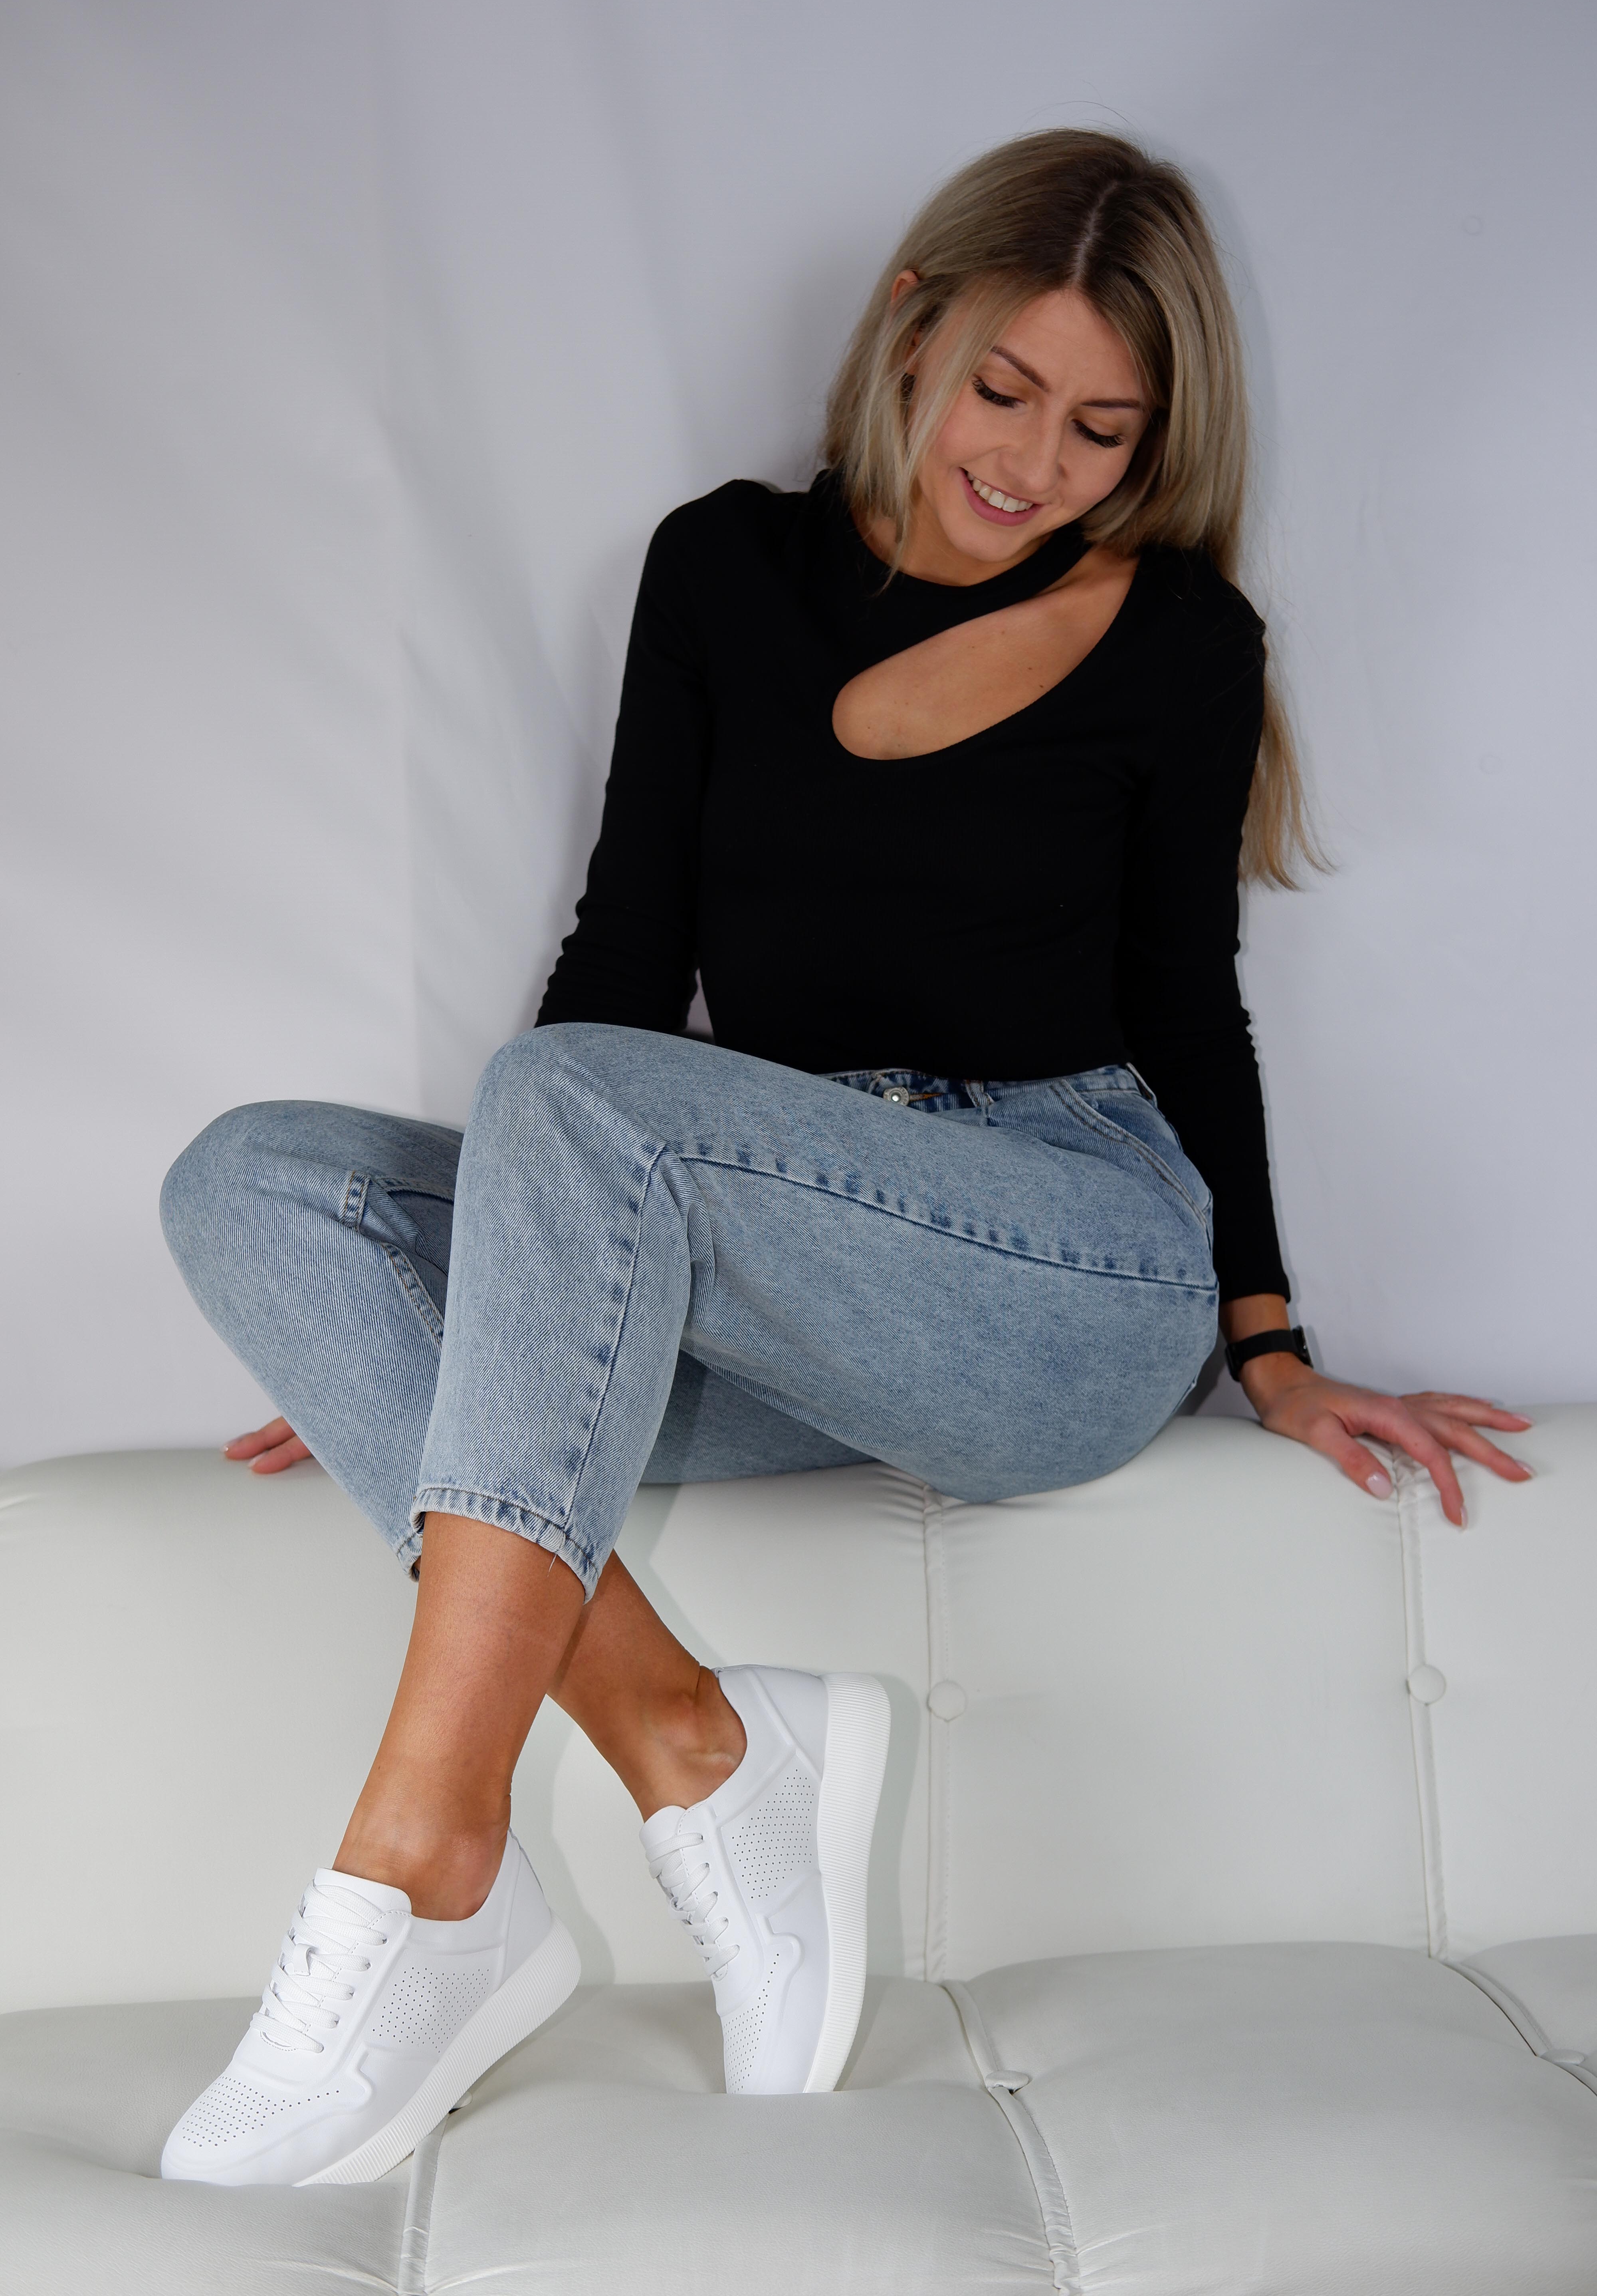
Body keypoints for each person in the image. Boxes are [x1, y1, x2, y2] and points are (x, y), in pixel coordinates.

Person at [155, 129, 1531, 2187]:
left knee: (572, 1097)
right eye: (1005, 389)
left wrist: (1269, 1340)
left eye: (1102, 430)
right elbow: (627, 954)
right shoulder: (721, 569)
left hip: (1066, 1264)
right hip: (776, 1258)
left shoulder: (1180, 640)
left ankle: (428, 1870)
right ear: (912, 328)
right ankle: (707, 1750)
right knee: (252, 1184)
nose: (1035, 463)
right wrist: (470, 1328)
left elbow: (1191, 1006)